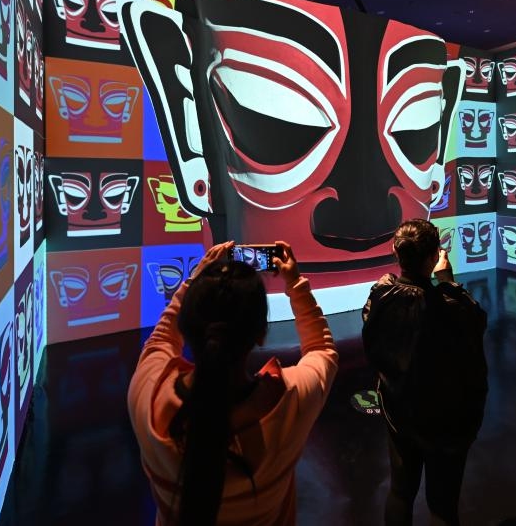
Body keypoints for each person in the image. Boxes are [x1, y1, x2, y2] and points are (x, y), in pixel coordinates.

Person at [128, 240, 338, 525]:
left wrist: (193, 280)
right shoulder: (289, 400)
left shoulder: (148, 395)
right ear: (261, 333)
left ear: (188, 327)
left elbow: (161, 339)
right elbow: (322, 351)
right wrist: (295, 284)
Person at [361, 218, 488, 526]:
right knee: (442, 505)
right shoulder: (452, 304)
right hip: (447, 422)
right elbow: (476, 321)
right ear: (434, 257)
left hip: (399, 412)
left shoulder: (381, 294)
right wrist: (447, 281)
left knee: (401, 492)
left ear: (396, 253)